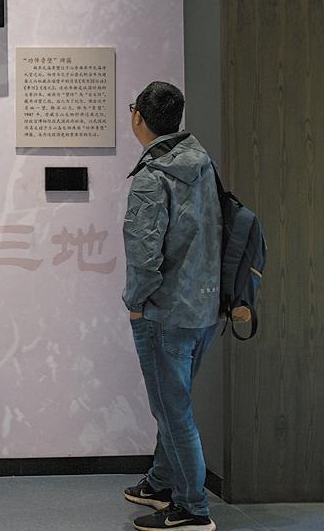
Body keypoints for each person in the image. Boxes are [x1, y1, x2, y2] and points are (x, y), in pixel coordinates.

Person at [122, 81, 223, 531]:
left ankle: (193, 508)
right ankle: (161, 483)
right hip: (204, 307)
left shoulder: (152, 177)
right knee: (174, 402)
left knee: (172, 411)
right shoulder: (202, 165)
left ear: (138, 117)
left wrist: (136, 301)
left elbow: (144, 253)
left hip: (163, 312)